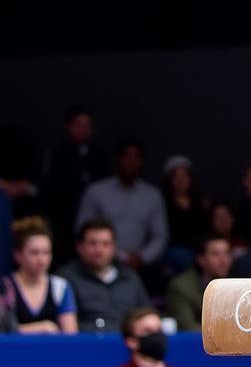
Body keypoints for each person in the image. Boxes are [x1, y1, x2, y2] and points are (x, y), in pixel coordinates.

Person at [75, 138, 168, 275]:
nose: (131, 162)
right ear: (118, 159)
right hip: (98, 263)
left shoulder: (153, 196)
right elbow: (81, 229)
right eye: (126, 156)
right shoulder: (96, 191)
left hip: (142, 267)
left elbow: (160, 235)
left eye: (136, 157)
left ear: (142, 161)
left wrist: (143, 257)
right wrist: (115, 254)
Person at [40, 105, 110, 264]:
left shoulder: (99, 154)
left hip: (93, 218)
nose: (82, 129)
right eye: (78, 124)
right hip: (63, 218)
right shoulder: (58, 151)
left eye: (87, 125)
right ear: (68, 126)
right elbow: (49, 187)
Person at [58, 218, 149, 333]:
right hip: (85, 344)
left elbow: (147, 314)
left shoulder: (130, 277)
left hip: (128, 344)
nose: (99, 250)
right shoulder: (66, 277)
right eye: (93, 243)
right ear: (80, 247)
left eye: (105, 244)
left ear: (114, 247)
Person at [0, 216, 77, 333]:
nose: (41, 260)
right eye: (34, 253)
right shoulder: (4, 287)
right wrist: (42, 328)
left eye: (46, 252)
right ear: (17, 255)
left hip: (53, 351)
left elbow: (71, 335)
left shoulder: (60, 287)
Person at [165, 235, 232, 331]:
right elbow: (187, 326)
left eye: (227, 253)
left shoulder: (237, 284)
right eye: (215, 254)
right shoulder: (181, 287)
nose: (223, 260)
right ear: (201, 259)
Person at [160, 156, 209, 276]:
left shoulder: (200, 204)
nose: (181, 180)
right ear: (169, 180)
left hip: (197, 249)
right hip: (173, 251)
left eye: (185, 175)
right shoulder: (163, 204)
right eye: (176, 176)